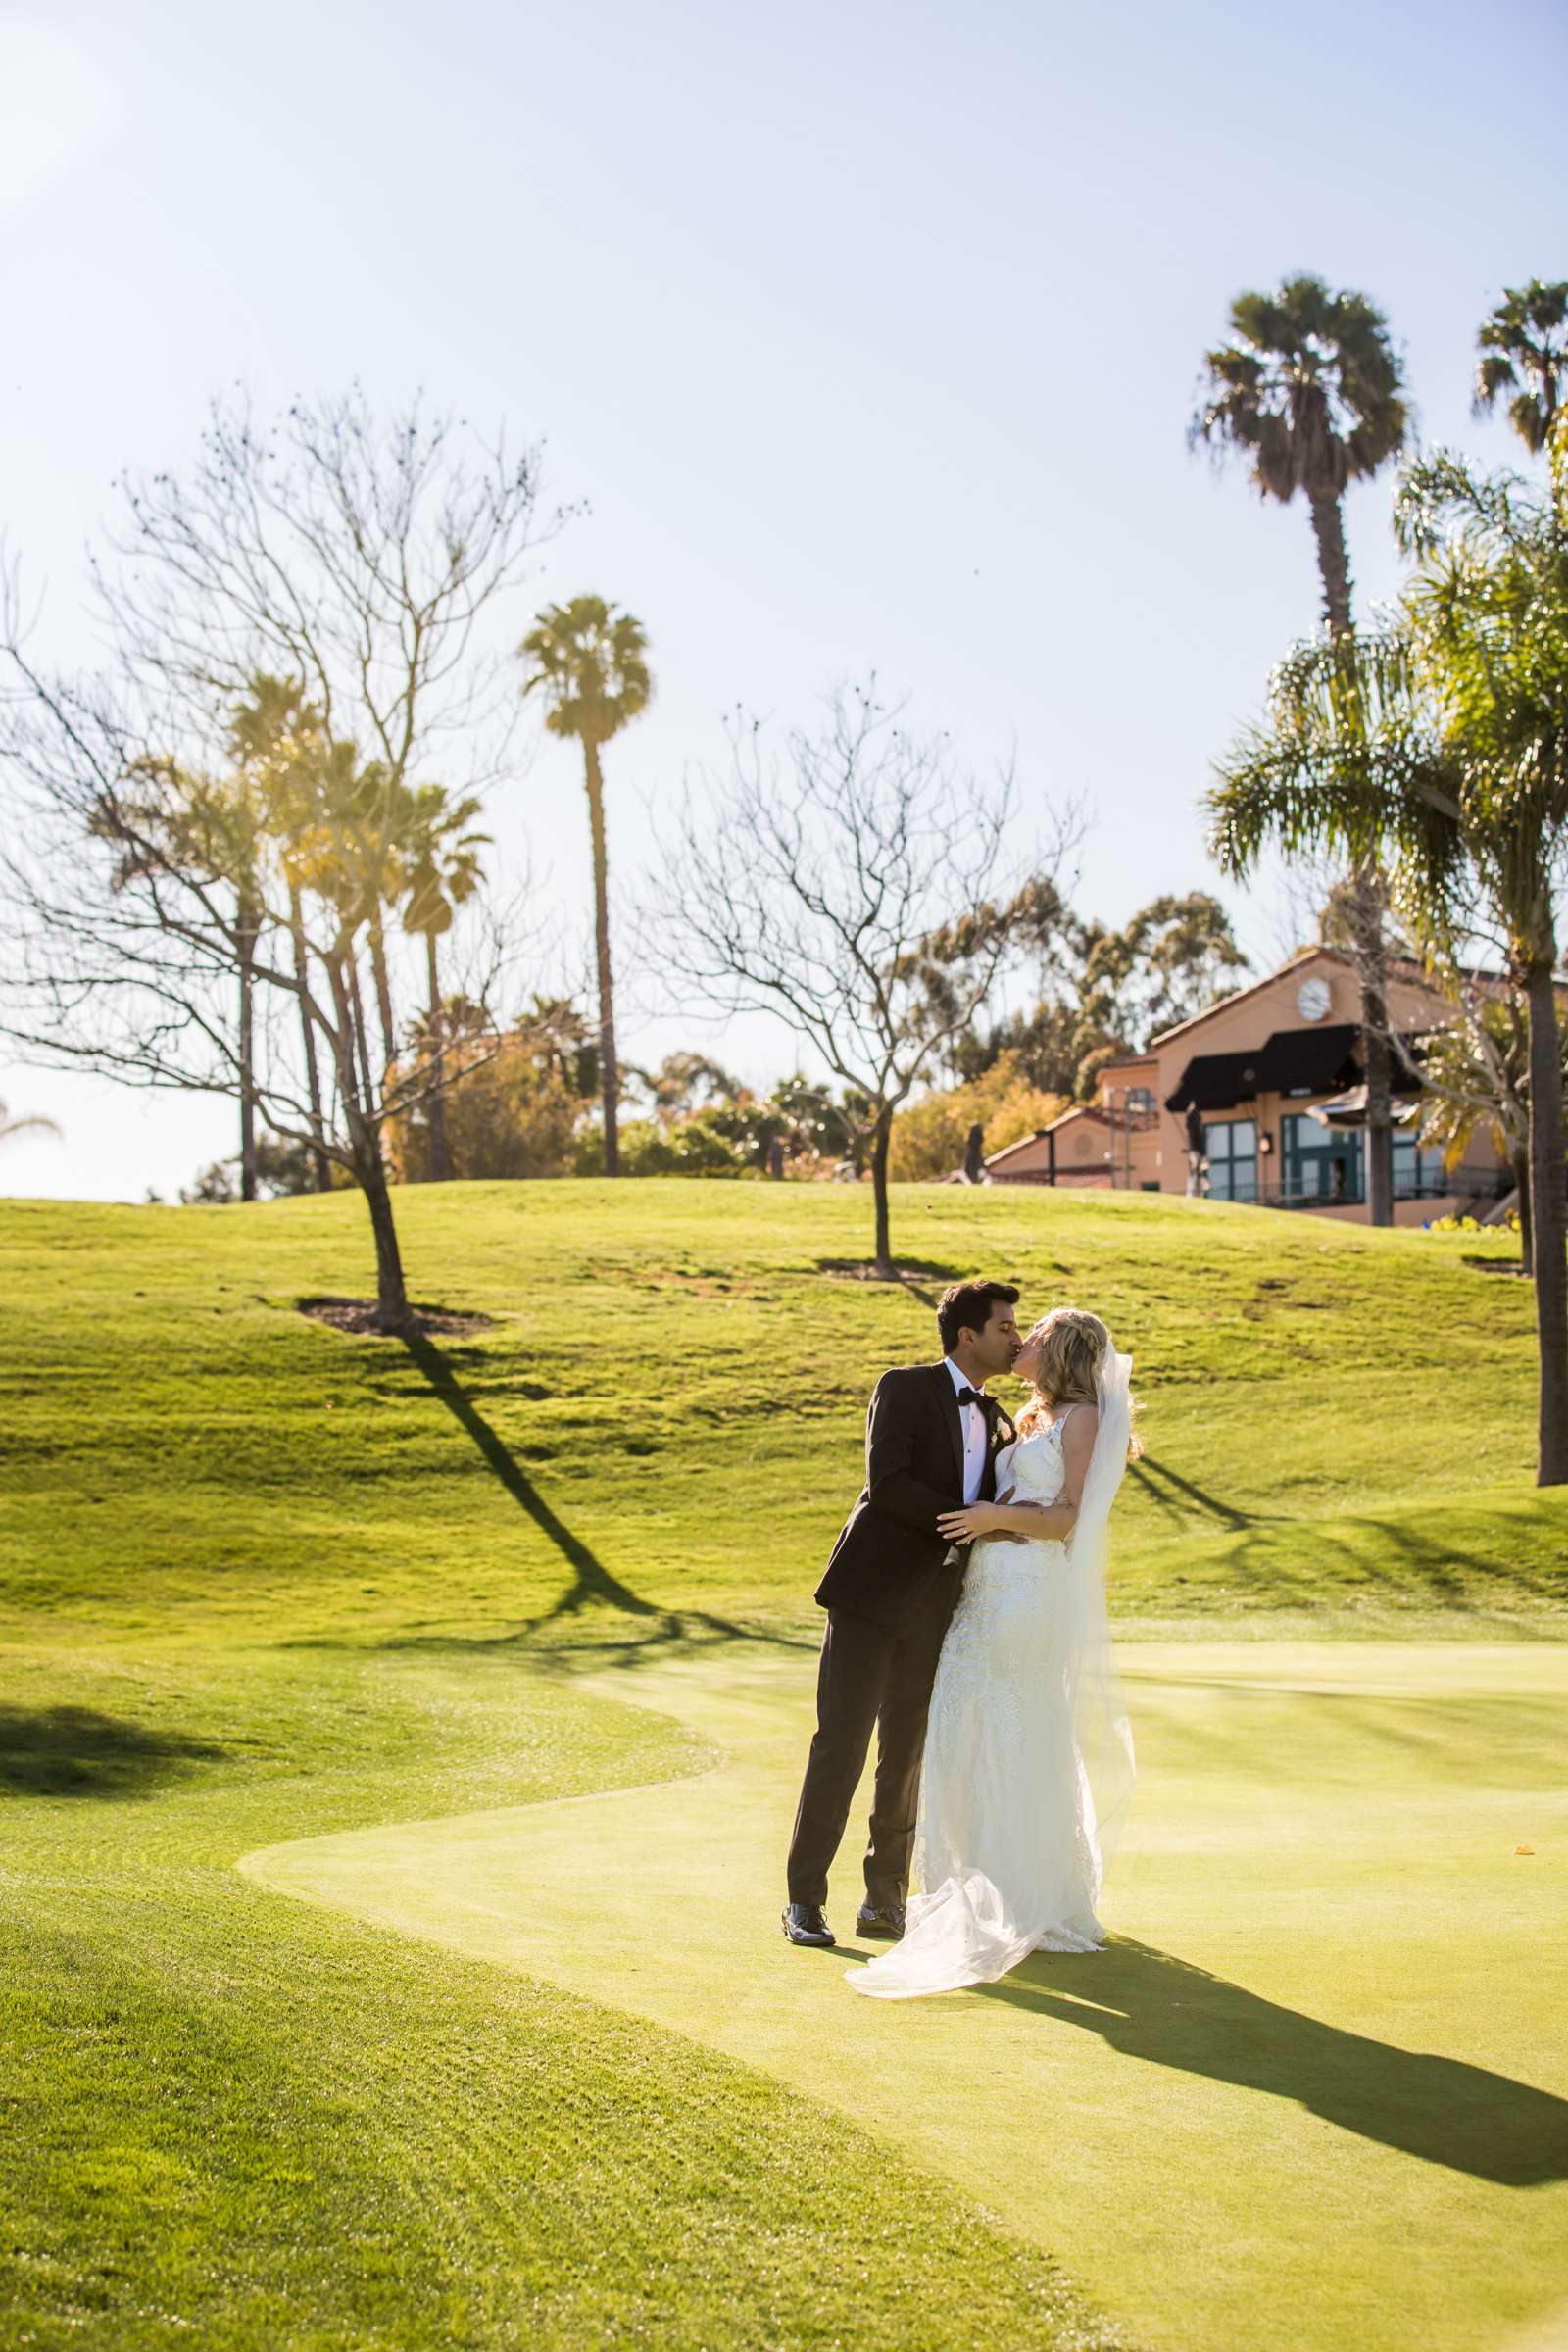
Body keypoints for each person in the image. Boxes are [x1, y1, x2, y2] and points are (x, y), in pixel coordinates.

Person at [849, 1307, 1139, 1999]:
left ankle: (1024, 1895)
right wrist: (986, 1521)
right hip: (982, 1588)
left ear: (1059, 1348)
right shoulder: (1028, 1418)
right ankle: (968, 1883)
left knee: (1012, 1729)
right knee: (964, 1728)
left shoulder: (1084, 1420)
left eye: (1031, 1334)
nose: (1020, 1340)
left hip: (1027, 1592)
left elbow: (1070, 1514)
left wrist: (994, 1519)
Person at [781, 1281, 1023, 1948]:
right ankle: (804, 1901)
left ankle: (884, 1900)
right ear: (967, 1336)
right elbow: (887, 1482)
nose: (1015, 1337)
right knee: (842, 1747)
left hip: (940, 1610)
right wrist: (962, 1523)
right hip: (871, 1598)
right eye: (1005, 1327)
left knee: (906, 1756)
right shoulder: (904, 1386)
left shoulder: (1002, 1419)